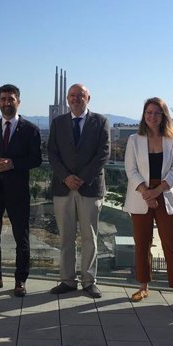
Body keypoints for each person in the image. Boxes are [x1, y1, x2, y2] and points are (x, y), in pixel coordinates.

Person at [124, 98, 173, 311]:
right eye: (148, 112)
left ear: (164, 115)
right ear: (143, 114)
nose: (152, 116)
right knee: (142, 243)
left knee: (172, 245)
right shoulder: (134, 139)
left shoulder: (172, 138)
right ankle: (143, 286)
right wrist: (146, 192)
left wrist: (158, 190)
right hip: (141, 194)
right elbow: (130, 169)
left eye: (157, 113)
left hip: (164, 193)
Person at [0, 84, 42, 297]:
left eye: (11, 99)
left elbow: (36, 159)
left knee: (21, 237)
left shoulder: (31, 129)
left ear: (18, 102)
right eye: (3, 99)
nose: (7, 102)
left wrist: (13, 163)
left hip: (18, 191)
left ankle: (20, 280)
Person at [47, 83, 110, 298]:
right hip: (63, 189)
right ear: (67, 98)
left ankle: (89, 281)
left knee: (89, 237)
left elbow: (103, 154)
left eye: (80, 95)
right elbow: (52, 154)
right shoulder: (58, 123)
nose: (75, 99)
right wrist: (66, 177)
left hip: (89, 188)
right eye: (72, 96)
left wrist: (82, 178)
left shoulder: (100, 122)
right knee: (66, 237)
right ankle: (67, 280)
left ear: (88, 98)